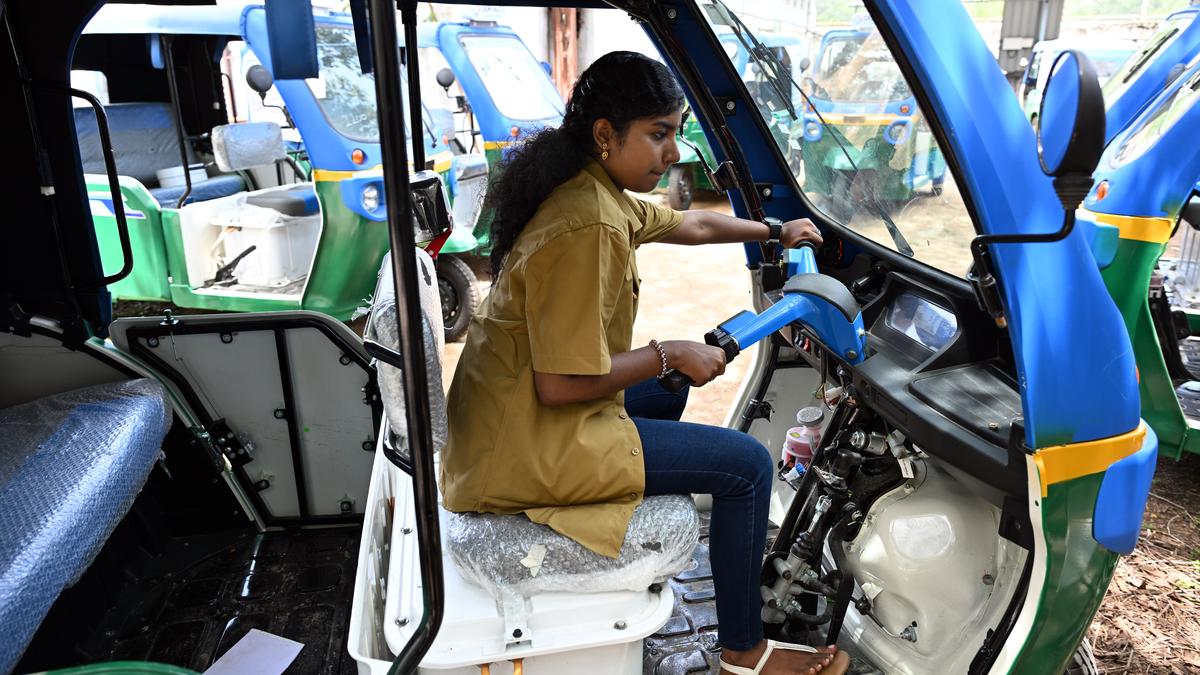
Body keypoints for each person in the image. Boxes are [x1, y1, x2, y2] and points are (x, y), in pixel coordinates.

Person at [443, 51, 850, 675]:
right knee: (743, 467)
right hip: (521, 443)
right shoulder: (589, 227)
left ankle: (638, 486)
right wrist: (671, 350)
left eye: (676, 131)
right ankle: (745, 651)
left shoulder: (594, 189)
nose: (672, 150)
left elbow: (688, 224)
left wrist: (774, 231)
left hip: (503, 420)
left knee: (663, 392)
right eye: (657, 134)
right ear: (606, 134)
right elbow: (560, 385)